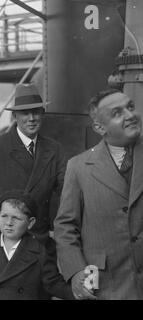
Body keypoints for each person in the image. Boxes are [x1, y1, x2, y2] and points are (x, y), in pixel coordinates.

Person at [54, 88, 143, 300]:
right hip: (108, 287)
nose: (130, 116)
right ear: (99, 127)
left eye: (130, 107)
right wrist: (76, 272)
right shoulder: (79, 167)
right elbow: (65, 226)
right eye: (117, 113)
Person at [0, 83, 66, 253]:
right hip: (2, 242)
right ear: (15, 116)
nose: (31, 118)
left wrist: (55, 228)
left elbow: (64, 191)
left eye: (36, 112)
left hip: (40, 242)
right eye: (25, 113)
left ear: (43, 114)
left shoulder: (55, 150)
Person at [0, 190, 74, 300]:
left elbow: (53, 284)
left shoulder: (39, 251)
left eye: (16, 218)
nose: (9, 223)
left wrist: (80, 294)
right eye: (4, 216)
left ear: (30, 223)